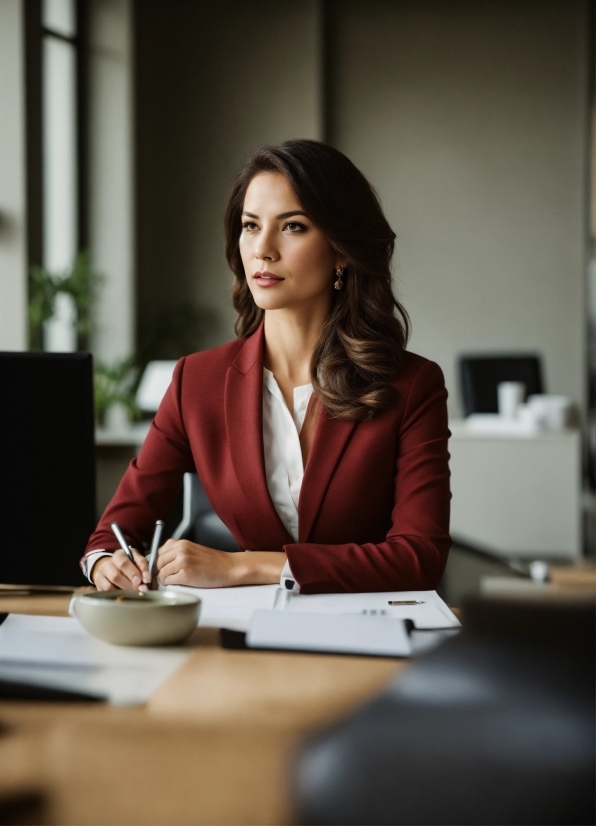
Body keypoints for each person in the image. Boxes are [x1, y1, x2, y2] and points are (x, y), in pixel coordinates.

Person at [81, 139, 450, 594]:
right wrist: (105, 564)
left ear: (341, 250)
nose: (263, 250)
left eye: (292, 227)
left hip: (369, 638)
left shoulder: (412, 385)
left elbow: (420, 557)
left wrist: (244, 566)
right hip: (244, 636)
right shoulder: (196, 382)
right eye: (250, 226)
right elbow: (110, 534)